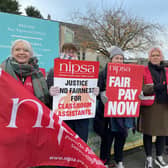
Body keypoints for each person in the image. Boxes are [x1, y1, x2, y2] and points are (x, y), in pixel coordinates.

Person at [47, 43, 99, 143]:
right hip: (64, 115)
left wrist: (94, 91)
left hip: (82, 115)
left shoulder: (85, 69)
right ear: (62, 52)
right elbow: (47, 93)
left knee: (81, 142)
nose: (70, 54)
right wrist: (50, 92)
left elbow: (88, 88)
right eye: (67, 51)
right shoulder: (54, 70)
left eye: (73, 51)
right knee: (65, 142)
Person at [94, 46, 135, 168]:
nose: (119, 60)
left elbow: (132, 89)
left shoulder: (128, 73)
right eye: (116, 58)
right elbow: (97, 90)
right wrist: (101, 94)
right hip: (107, 114)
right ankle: (104, 162)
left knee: (121, 138)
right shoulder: (102, 73)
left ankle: (119, 160)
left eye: (121, 58)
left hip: (122, 113)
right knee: (107, 140)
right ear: (111, 59)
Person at [138, 47, 168, 168]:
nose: (155, 57)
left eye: (158, 55)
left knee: (163, 132)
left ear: (161, 57)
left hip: (164, 105)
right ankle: (149, 159)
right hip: (149, 106)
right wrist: (155, 87)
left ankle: (159, 157)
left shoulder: (166, 70)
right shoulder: (143, 70)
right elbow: (139, 88)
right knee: (148, 133)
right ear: (149, 57)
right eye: (153, 55)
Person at [0, 39, 49, 106]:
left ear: (31, 54)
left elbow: (47, 102)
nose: (21, 52)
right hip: (8, 114)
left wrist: (51, 93)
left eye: (26, 50)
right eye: (17, 50)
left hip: (33, 114)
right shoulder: (2, 71)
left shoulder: (40, 73)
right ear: (12, 53)